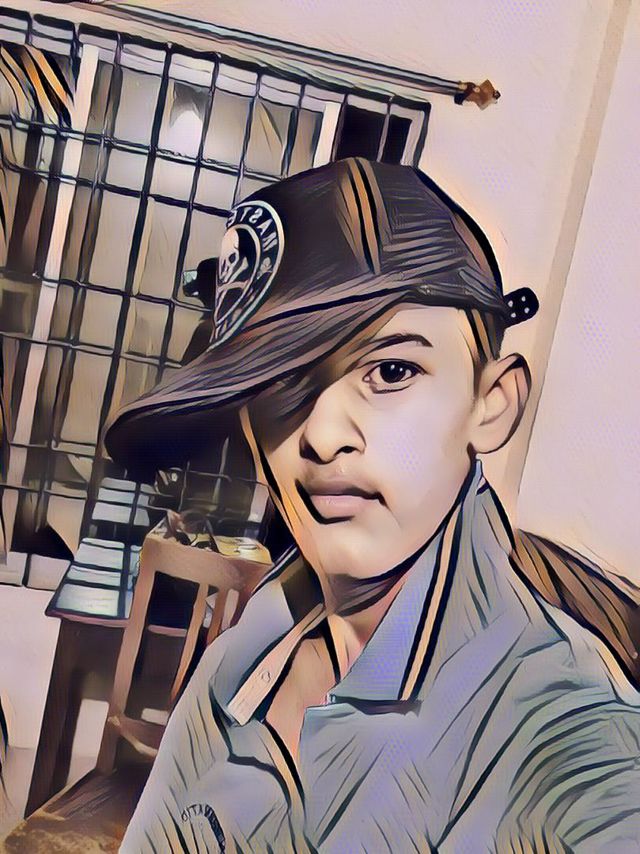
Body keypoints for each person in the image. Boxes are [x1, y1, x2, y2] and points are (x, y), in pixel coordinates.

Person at [105, 157, 640, 852]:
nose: (324, 435)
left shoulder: (571, 741)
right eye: (279, 383)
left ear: (491, 403)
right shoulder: (238, 669)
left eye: (390, 370)